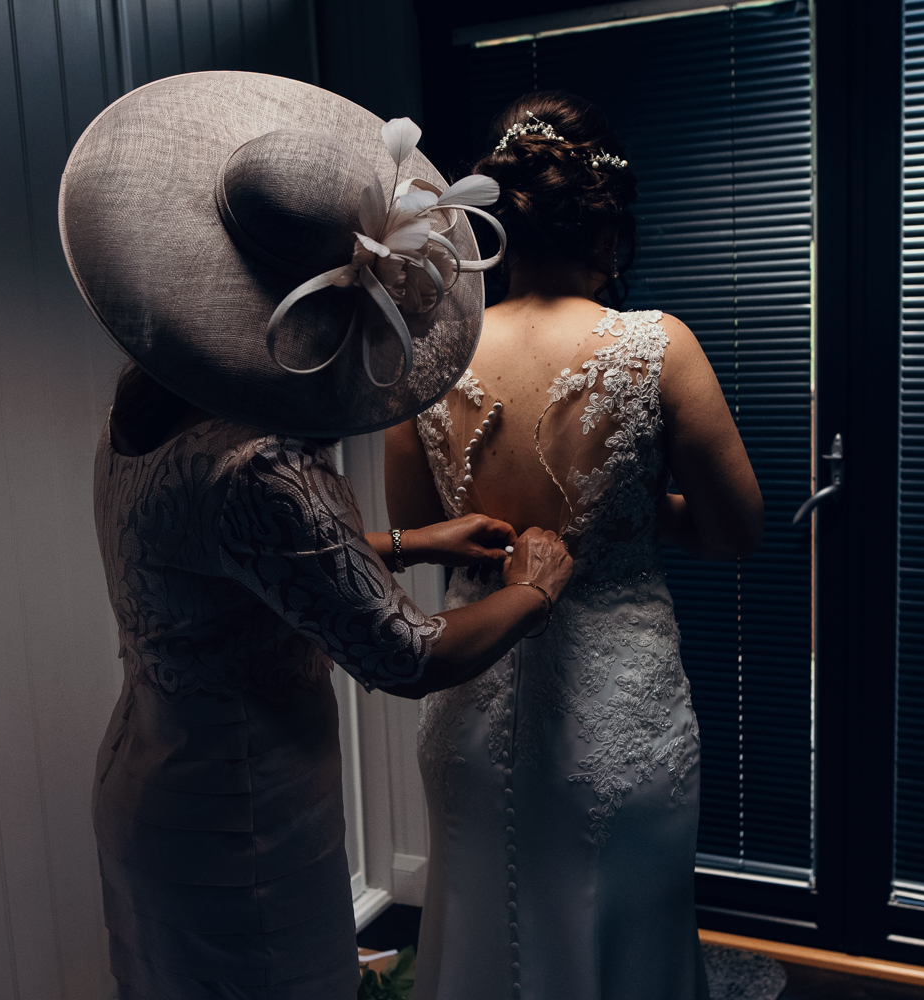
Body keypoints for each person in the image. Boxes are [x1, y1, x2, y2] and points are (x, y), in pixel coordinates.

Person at [61, 71, 572, 998]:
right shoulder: (261, 462)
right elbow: (405, 654)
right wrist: (531, 589)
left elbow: (225, 572)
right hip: (239, 809)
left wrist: (410, 543)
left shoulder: (145, 396)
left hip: (147, 770)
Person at [385, 91, 764, 1000]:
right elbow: (735, 530)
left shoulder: (433, 355)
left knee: (483, 932)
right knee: (622, 944)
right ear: (606, 225)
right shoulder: (655, 346)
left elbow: (425, 533)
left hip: (472, 706)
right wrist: (633, 509)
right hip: (617, 717)